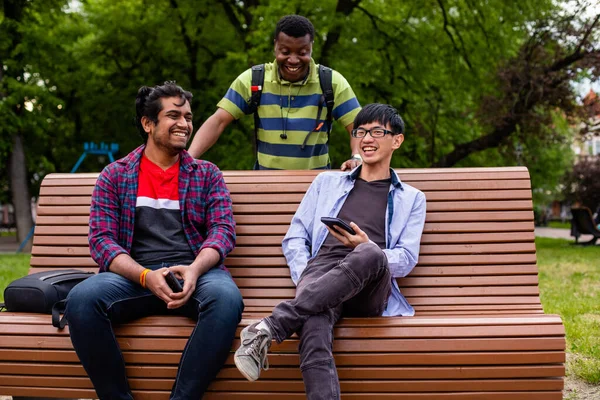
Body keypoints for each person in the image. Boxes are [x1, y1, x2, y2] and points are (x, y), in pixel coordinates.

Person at [233, 103, 427, 399]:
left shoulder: (412, 198)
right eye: (360, 132)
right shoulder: (327, 182)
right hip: (322, 271)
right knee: (313, 317)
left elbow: (406, 259)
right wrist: (309, 282)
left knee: (371, 253)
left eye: (377, 131)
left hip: (370, 282)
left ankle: (271, 326)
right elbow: (295, 238)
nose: (367, 139)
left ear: (396, 140)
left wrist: (364, 247)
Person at [65, 82, 243, 400]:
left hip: (193, 274)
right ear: (148, 123)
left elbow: (222, 231)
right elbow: (102, 241)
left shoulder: (207, 174)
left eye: (188, 116)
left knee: (227, 300)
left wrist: (195, 269)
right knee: (81, 301)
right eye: (173, 115)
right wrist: (145, 277)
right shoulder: (115, 175)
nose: (185, 123)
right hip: (135, 277)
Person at [188, 14, 362, 171]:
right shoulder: (254, 80)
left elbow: (359, 126)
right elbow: (218, 121)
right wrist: (189, 159)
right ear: (275, 46)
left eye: (302, 52)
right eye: (285, 52)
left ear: (311, 48)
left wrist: (356, 156)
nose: (293, 60)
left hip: (317, 187)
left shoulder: (331, 82)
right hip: (266, 186)